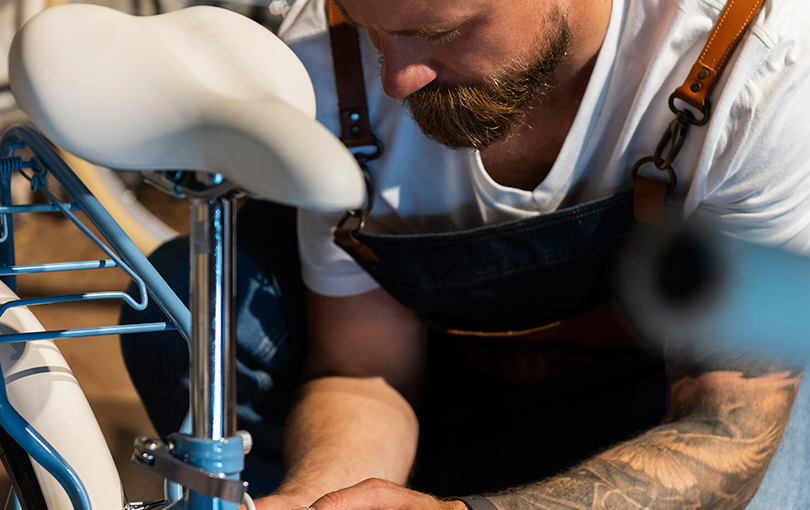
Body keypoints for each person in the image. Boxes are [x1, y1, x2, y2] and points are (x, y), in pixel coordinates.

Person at [120, 0, 810, 507]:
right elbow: (363, 367)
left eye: (437, 34)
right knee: (189, 297)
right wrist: (322, 495)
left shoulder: (763, 70)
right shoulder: (323, 58)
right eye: (374, 33)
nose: (397, 78)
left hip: (656, 408)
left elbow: (729, 426)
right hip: (449, 395)